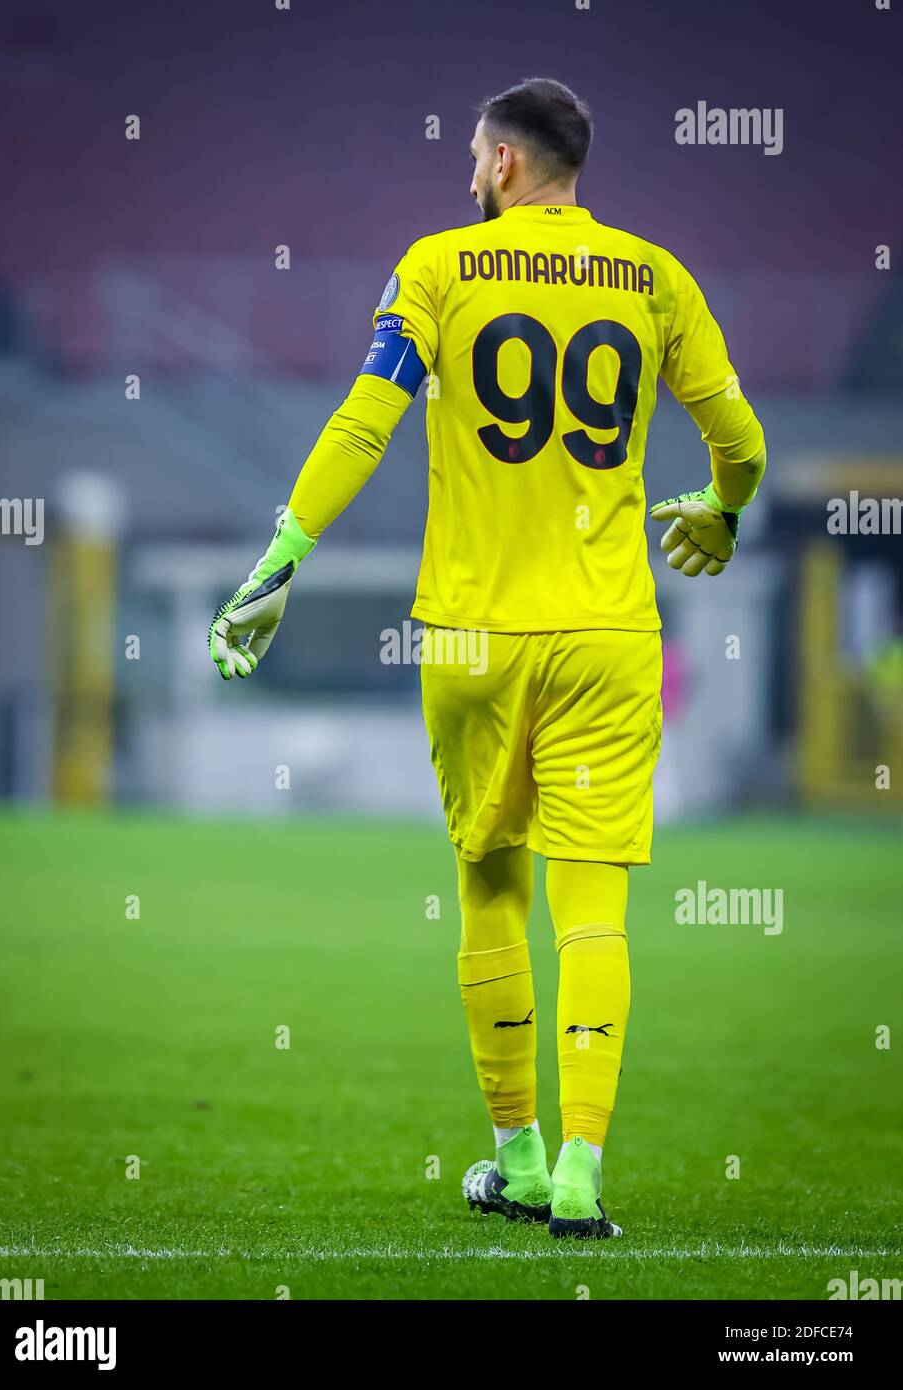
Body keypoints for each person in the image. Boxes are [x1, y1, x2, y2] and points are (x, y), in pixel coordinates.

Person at [209, 77, 766, 1239]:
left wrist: (281, 557)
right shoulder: (656, 277)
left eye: (473, 157)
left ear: (502, 166)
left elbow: (367, 416)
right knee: (593, 911)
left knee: (489, 884)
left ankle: (510, 1155)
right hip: (608, 633)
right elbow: (741, 445)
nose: (467, 173)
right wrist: (717, 510)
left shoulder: (439, 270)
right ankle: (578, 1169)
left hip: (468, 635)